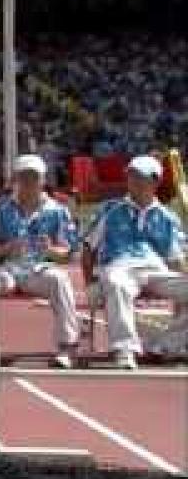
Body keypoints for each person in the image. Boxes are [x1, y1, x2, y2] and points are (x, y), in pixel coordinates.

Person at [82, 155, 188, 369]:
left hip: (154, 270)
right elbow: (88, 248)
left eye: (141, 176)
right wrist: (90, 282)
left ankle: (165, 346)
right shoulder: (110, 210)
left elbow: (175, 259)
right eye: (131, 176)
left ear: (155, 182)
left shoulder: (167, 218)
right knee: (117, 283)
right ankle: (124, 349)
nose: (135, 181)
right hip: (119, 267)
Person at [0, 155, 81, 368]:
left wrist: (50, 250)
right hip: (6, 270)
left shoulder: (58, 211)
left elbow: (68, 253)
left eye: (34, 177)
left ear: (42, 180)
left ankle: (67, 347)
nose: (29, 182)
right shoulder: (0, 209)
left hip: (38, 271)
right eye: (23, 177)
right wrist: (8, 247)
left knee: (59, 280)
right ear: (15, 179)